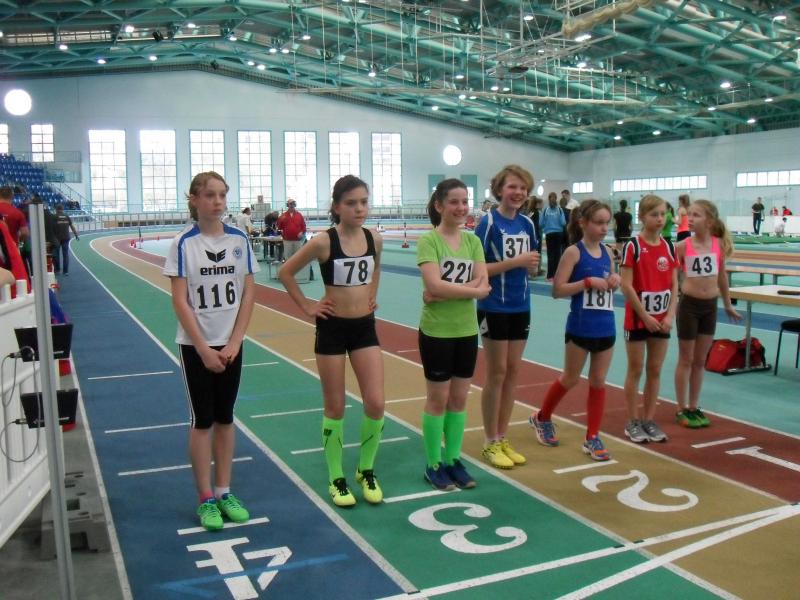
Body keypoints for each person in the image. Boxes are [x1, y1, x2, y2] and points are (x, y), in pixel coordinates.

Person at [279, 175, 385, 507]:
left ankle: (366, 470)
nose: (359, 209)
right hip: (332, 329)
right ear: (337, 207)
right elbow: (286, 272)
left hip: (364, 328)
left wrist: (372, 294)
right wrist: (307, 306)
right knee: (335, 406)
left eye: (364, 202)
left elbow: (375, 268)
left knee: (376, 403)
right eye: (351, 203)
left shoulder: (374, 238)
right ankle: (336, 477)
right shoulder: (324, 242)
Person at [163, 172, 258, 531]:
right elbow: (180, 300)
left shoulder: (239, 240)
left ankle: (224, 490)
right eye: (209, 195)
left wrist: (235, 341)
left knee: (226, 418)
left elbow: (248, 293)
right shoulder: (183, 244)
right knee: (202, 420)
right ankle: (205, 498)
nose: (217, 202)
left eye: (222, 195)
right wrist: (203, 348)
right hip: (196, 347)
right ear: (194, 199)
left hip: (231, 344)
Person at [530, 200, 620, 461]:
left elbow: (610, 284)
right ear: (583, 223)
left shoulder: (608, 253)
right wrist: (587, 282)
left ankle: (592, 436)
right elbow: (557, 290)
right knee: (570, 379)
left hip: (606, 326)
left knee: (599, 382)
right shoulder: (573, 252)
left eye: (607, 223)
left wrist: (615, 281)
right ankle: (542, 417)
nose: (604, 228)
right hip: (581, 327)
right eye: (599, 223)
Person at [417, 179, 490, 490]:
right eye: (454, 202)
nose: (461, 208)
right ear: (439, 205)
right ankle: (434, 463)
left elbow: (484, 284)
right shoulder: (429, 241)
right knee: (438, 399)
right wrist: (467, 290)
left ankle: (453, 459)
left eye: (465, 201)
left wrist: (444, 292)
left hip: (466, 332)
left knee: (459, 400)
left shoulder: (473, 242)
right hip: (437, 332)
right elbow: (434, 285)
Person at [475, 165, 539, 469]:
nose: (518, 193)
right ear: (499, 189)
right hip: (493, 306)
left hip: (521, 305)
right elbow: (477, 268)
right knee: (497, 372)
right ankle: (489, 441)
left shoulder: (528, 224)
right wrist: (517, 261)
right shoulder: (488, 222)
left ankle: (502, 436)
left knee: (513, 372)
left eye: (523, 188)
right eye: (513, 186)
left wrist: (530, 266)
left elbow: (532, 266)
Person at [674, 200, 741, 429]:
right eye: (689, 215)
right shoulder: (682, 246)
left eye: (696, 215)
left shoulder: (717, 245)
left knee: (700, 360)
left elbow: (721, 276)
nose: (690, 219)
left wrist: (728, 304)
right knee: (686, 359)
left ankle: (694, 405)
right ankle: (681, 407)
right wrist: (671, 303)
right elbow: (672, 277)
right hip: (689, 306)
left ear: (710, 221)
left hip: (710, 307)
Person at [620, 195, 679, 444]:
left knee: (655, 369)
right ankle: (632, 421)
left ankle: (649, 419)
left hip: (662, 320)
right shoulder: (633, 246)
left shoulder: (669, 247)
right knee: (636, 369)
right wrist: (644, 316)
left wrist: (670, 314)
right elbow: (626, 285)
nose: (660, 219)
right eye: (654, 214)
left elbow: (675, 285)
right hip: (638, 319)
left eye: (663, 214)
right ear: (642, 217)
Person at [541, 192, 566, 281]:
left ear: (548, 199)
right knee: (557, 255)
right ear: (556, 199)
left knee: (550, 255)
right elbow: (563, 222)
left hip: (549, 234)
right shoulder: (560, 210)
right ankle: (557, 275)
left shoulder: (545, 210)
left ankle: (549, 276)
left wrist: (547, 227)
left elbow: (541, 223)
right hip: (558, 234)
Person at [52, 204, 80, 275]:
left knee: (56, 254)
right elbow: (72, 226)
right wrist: (76, 235)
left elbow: (51, 227)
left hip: (57, 238)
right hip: (66, 238)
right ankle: (65, 271)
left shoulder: (54, 217)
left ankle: (57, 270)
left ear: (56, 209)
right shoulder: (67, 216)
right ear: (62, 209)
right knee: (65, 254)